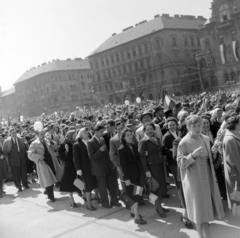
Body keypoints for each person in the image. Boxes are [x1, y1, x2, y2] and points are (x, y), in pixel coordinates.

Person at [177, 115, 224, 238]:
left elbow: (210, 160)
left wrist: (213, 153)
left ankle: (207, 234)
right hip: (194, 180)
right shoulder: (183, 142)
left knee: (206, 207)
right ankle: (201, 235)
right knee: (198, 210)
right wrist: (192, 155)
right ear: (188, 127)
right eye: (194, 126)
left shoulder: (205, 138)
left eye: (199, 125)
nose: (198, 128)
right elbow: (180, 163)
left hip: (207, 177)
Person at [139, 122, 169, 218]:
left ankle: (158, 206)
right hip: (151, 168)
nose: (150, 131)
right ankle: (158, 208)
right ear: (145, 131)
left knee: (159, 187)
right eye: (147, 129)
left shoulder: (157, 139)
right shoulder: (143, 141)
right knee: (154, 188)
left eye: (151, 129)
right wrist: (146, 171)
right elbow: (142, 158)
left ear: (154, 129)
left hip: (159, 166)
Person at [87, 124, 121, 209]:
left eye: (103, 131)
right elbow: (91, 157)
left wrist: (111, 164)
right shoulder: (90, 142)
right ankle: (105, 203)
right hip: (99, 169)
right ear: (95, 132)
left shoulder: (102, 139)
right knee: (102, 187)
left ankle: (114, 201)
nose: (103, 133)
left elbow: (106, 154)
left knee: (112, 185)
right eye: (101, 131)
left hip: (107, 167)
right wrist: (99, 151)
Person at [119, 128, 146, 225]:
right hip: (130, 177)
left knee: (136, 194)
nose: (130, 136)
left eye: (131, 134)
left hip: (137, 174)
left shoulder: (134, 146)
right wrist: (126, 179)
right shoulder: (122, 149)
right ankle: (137, 217)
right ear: (123, 138)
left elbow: (137, 158)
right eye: (127, 135)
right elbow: (123, 166)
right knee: (135, 196)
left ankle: (132, 212)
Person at [28, 128, 62, 202]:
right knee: (48, 180)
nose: (43, 135)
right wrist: (39, 157)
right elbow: (30, 155)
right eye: (41, 134)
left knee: (53, 178)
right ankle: (51, 197)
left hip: (52, 161)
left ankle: (48, 191)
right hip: (43, 163)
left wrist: (51, 141)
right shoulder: (34, 143)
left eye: (44, 134)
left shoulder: (47, 140)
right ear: (37, 135)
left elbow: (56, 148)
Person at [73, 128, 98, 211]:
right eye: (86, 133)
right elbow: (76, 158)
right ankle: (89, 205)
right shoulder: (77, 144)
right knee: (87, 187)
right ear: (81, 134)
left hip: (91, 167)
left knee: (89, 186)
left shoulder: (88, 142)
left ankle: (89, 202)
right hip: (84, 169)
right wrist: (78, 169)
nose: (88, 134)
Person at [162, 117, 184, 206]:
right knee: (178, 181)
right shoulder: (166, 136)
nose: (172, 127)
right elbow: (164, 150)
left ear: (176, 125)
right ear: (167, 126)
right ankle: (182, 201)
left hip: (181, 160)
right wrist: (172, 150)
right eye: (170, 125)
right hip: (173, 162)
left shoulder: (180, 133)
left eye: (173, 125)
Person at [222, 111, 240, 210]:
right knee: (237, 201)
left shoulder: (235, 135)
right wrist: (238, 179)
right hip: (237, 178)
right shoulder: (230, 139)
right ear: (236, 124)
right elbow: (232, 163)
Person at [3, 128, 29, 192]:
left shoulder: (21, 139)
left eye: (15, 132)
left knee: (23, 172)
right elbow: (5, 151)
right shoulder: (7, 141)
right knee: (15, 174)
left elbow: (25, 148)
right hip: (13, 160)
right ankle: (18, 186)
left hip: (21, 159)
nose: (14, 134)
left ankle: (25, 184)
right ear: (10, 134)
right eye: (12, 133)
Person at [58, 130, 79, 208]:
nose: (75, 136)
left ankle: (82, 194)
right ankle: (71, 199)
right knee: (70, 184)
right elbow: (61, 156)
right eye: (73, 135)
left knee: (79, 181)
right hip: (69, 166)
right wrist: (66, 151)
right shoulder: (64, 144)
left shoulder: (76, 143)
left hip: (76, 165)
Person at [0, 133, 8, 197]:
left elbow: (2, 152)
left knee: (3, 177)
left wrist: (2, 155)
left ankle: (1, 190)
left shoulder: (1, 143)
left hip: (2, 162)